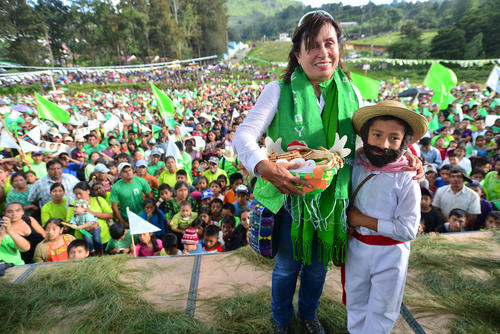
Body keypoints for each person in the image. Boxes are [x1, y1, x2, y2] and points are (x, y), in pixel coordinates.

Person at [232, 11, 363, 333]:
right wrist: (264, 166)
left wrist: (407, 159)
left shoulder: (352, 94)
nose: (323, 53)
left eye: (329, 43)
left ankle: (308, 315)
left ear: (339, 48)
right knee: (288, 267)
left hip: (332, 201)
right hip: (289, 196)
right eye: (313, 46)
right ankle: (280, 322)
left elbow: (369, 142)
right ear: (298, 55)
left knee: (317, 269)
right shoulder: (278, 91)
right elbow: (243, 137)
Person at [345, 100, 427, 334]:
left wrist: (362, 220)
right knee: (356, 301)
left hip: (391, 255)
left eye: (394, 138)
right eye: (377, 135)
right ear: (365, 135)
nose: (383, 144)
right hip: (357, 248)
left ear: (405, 142)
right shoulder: (357, 164)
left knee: (383, 308)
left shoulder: (407, 177)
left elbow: (409, 229)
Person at [110, 162, 152, 227]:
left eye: (129, 170)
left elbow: (150, 197)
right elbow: (115, 207)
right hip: (127, 218)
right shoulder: (116, 187)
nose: (128, 173)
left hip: (142, 215)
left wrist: (149, 213)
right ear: (120, 174)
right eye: (125, 171)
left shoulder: (141, 181)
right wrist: (123, 222)